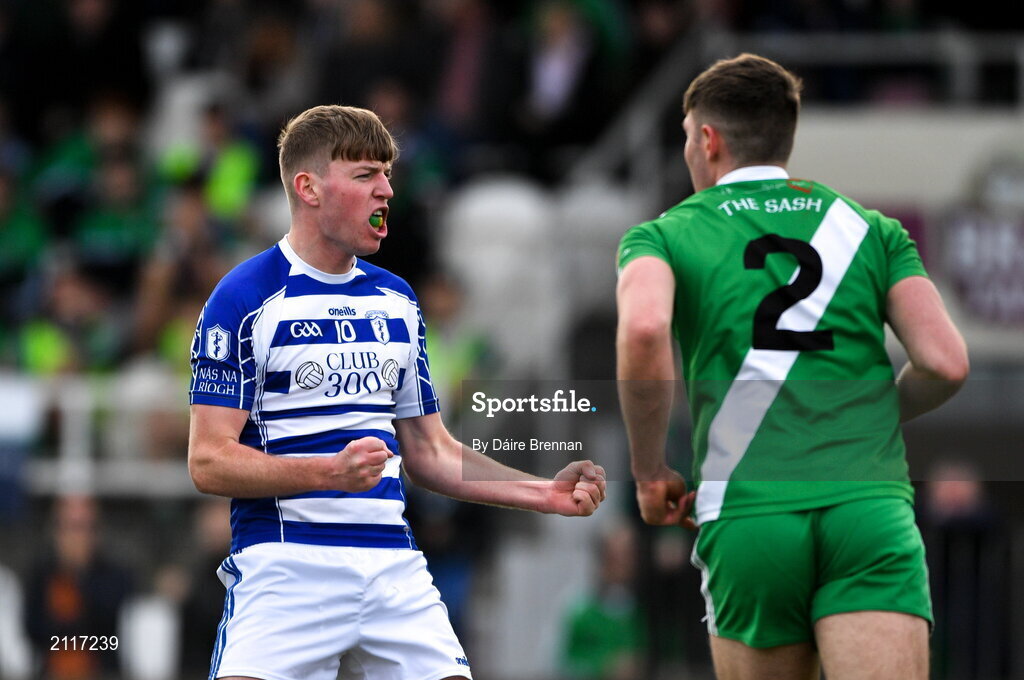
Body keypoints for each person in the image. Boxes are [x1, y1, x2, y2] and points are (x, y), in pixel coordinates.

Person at [187, 104, 606, 680]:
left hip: (393, 569)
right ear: (308, 188)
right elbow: (209, 461)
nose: (386, 190)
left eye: (387, 174)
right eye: (365, 176)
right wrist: (327, 473)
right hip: (287, 567)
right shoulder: (243, 299)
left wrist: (543, 494)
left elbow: (429, 451)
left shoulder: (398, 300)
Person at [615, 53, 969, 680]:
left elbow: (644, 328)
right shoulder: (869, 228)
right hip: (865, 504)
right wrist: (876, 408)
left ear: (707, 139)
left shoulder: (665, 235)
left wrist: (648, 471)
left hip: (750, 509)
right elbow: (944, 362)